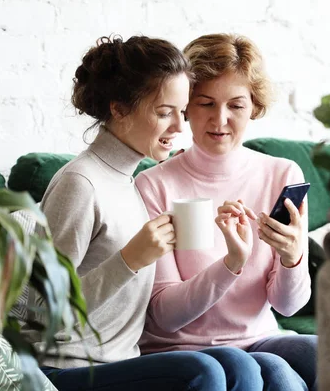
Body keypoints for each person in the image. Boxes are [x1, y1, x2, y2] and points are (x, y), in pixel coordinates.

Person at [37, 35, 264, 391]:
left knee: (237, 364)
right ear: (119, 109)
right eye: (163, 113)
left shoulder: (128, 182)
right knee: (203, 373)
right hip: (64, 368)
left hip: (123, 361)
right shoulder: (80, 184)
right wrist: (130, 259)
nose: (179, 127)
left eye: (182, 111)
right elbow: (39, 308)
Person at [135, 33, 318, 391]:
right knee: (280, 377)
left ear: (254, 106)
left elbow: (288, 306)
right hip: (182, 348)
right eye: (205, 103)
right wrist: (231, 263)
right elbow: (166, 317)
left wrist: (292, 258)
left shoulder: (282, 175)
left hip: (260, 337)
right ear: (185, 106)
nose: (220, 120)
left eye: (236, 105)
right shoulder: (154, 185)